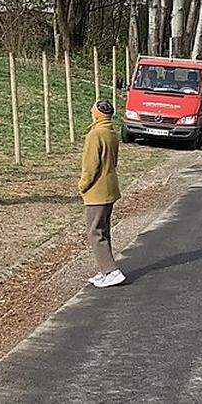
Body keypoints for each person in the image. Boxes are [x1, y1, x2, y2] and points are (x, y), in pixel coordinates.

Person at [78, 99, 124, 287]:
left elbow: (90, 166)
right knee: (103, 229)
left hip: (97, 190)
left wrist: (82, 185)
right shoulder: (111, 133)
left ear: (96, 114)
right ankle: (105, 269)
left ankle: (111, 271)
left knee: (94, 232)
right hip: (110, 187)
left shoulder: (95, 135)